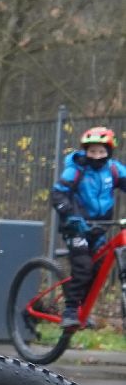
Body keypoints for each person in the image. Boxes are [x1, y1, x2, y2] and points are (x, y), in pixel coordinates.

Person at [51, 126, 126, 329]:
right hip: (75, 227)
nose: (96, 155)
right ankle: (70, 311)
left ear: (109, 152)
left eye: (101, 152)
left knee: (98, 269)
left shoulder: (114, 169)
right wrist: (70, 215)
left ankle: (84, 310)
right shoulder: (76, 169)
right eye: (92, 151)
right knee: (83, 267)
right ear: (85, 151)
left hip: (99, 228)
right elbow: (57, 194)